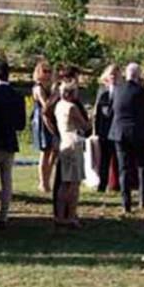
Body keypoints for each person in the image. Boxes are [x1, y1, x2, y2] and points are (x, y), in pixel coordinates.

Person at [0, 60, 25, 229]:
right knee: (7, 180)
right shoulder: (17, 95)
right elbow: (21, 124)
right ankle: (4, 216)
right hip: (10, 141)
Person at [110, 63, 144, 213]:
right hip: (137, 131)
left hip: (119, 132)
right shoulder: (142, 91)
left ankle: (125, 202)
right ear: (138, 75)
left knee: (124, 169)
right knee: (142, 166)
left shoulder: (117, 89)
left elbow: (112, 109)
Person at [53, 79, 90, 228]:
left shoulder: (58, 106)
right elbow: (85, 125)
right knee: (74, 183)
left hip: (64, 142)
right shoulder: (72, 107)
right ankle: (71, 216)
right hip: (74, 143)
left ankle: (60, 215)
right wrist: (92, 117)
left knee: (64, 182)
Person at [30, 61, 57, 194]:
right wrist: (55, 95)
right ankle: (43, 182)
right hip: (41, 120)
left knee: (53, 151)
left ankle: (47, 179)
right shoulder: (38, 87)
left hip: (52, 120)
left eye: (49, 71)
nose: (47, 74)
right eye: (44, 71)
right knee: (45, 151)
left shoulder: (51, 86)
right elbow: (45, 105)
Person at [92, 65, 117, 194]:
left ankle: (117, 184)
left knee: (118, 157)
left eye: (115, 73)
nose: (113, 76)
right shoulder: (102, 90)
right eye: (111, 73)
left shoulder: (120, 89)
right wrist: (96, 130)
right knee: (104, 158)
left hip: (117, 128)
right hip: (104, 128)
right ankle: (102, 183)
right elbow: (97, 111)